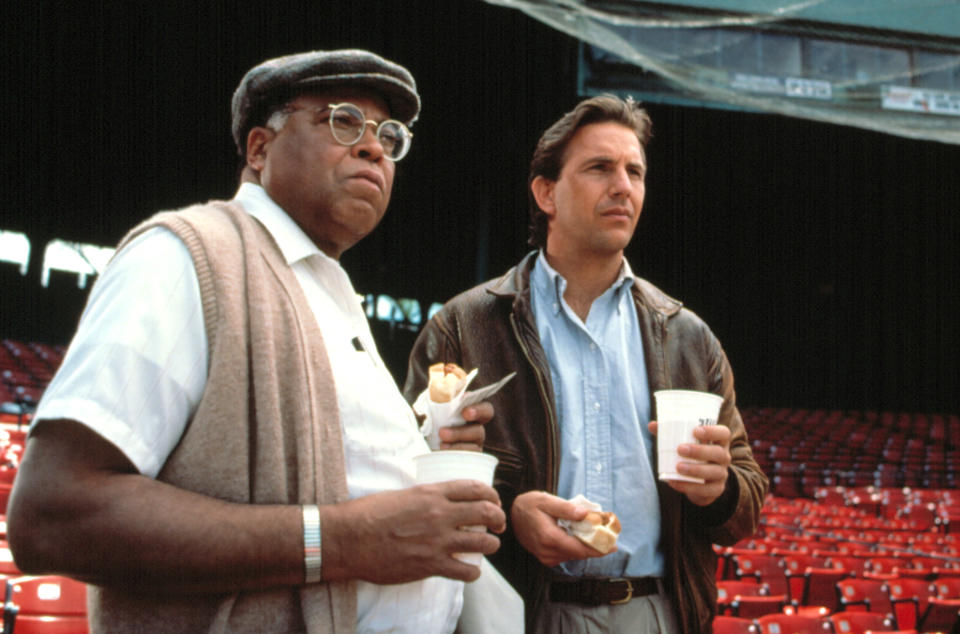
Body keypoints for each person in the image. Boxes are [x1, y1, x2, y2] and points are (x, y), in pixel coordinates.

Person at [6, 49, 506, 633]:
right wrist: (343, 541)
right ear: (260, 148)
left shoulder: (327, 290)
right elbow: (53, 515)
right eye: (342, 121)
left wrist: (426, 447)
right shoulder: (187, 257)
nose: (374, 147)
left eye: (389, 136)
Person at [404, 95, 768, 633]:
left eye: (635, 171)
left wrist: (720, 490)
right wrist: (509, 516)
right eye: (600, 168)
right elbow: (405, 482)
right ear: (545, 192)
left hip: (656, 612)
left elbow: (747, 501)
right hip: (521, 611)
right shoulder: (462, 327)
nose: (623, 186)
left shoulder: (688, 338)